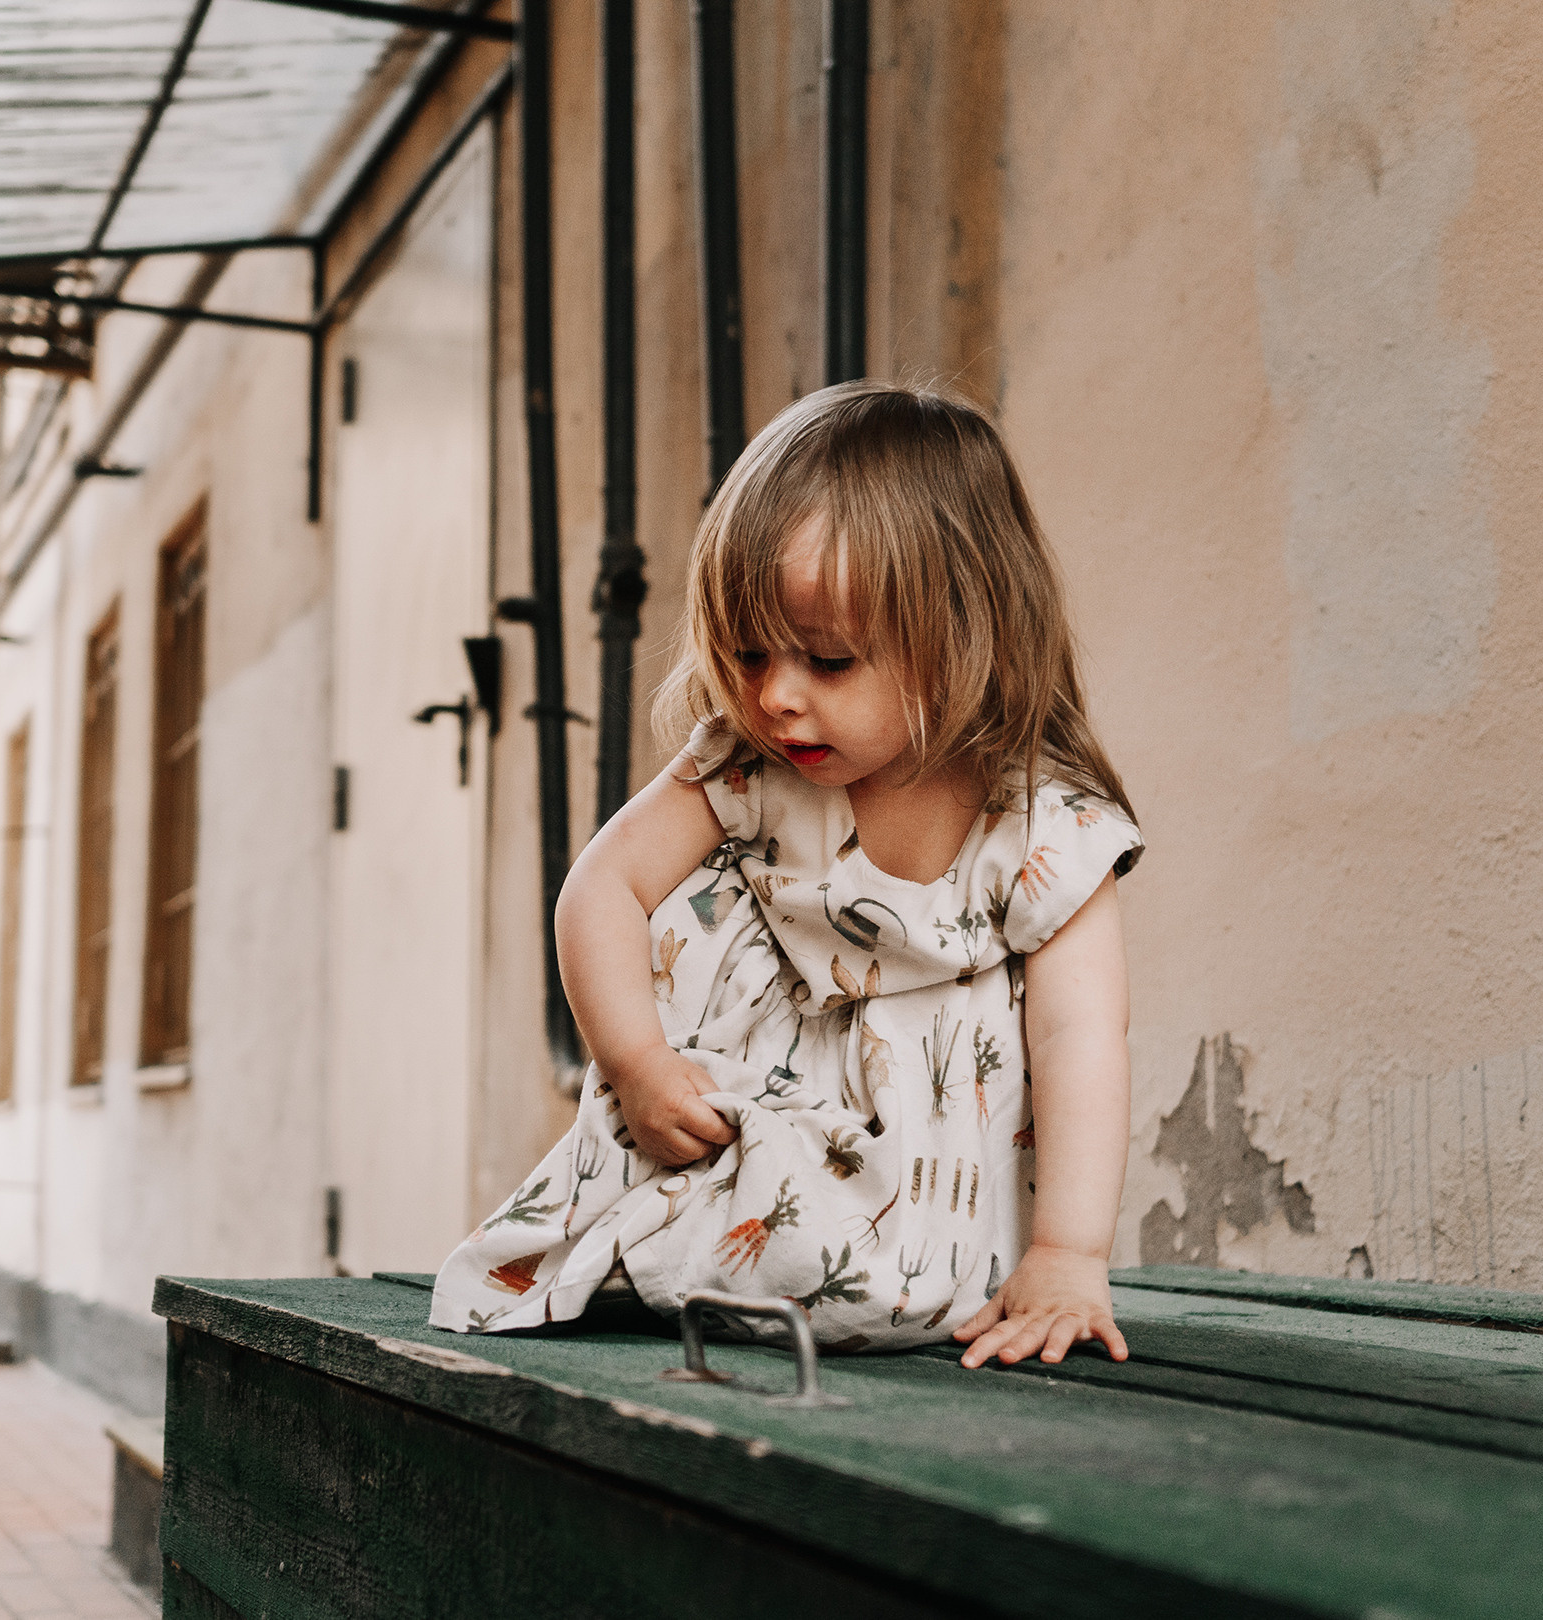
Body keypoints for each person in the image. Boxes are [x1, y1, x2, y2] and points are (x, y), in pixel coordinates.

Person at [431, 380, 1141, 1367]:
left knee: (899, 1283)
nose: (774, 696)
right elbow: (604, 888)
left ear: (965, 633)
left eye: (829, 659)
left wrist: (1070, 1251)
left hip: (940, 1207)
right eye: (750, 651)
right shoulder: (750, 766)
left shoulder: (1038, 823)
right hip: (754, 1136)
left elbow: (1079, 1036)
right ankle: (684, 1255)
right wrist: (637, 1064)